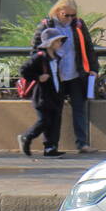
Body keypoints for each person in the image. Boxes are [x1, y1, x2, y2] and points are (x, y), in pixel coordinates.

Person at [31, 0, 98, 153]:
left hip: (76, 73)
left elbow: (88, 48)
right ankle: (51, 145)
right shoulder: (46, 25)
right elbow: (36, 51)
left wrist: (93, 68)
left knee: (79, 108)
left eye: (72, 15)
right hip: (55, 75)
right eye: (65, 15)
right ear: (57, 12)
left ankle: (82, 143)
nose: (69, 18)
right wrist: (41, 71)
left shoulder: (78, 25)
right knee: (55, 110)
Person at [17, 28, 68, 157]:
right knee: (44, 121)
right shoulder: (40, 57)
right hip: (43, 95)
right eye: (57, 41)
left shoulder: (55, 57)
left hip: (56, 93)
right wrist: (38, 77)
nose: (60, 43)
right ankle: (26, 137)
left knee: (55, 121)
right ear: (50, 43)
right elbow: (24, 70)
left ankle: (50, 147)